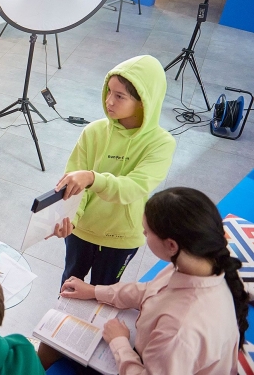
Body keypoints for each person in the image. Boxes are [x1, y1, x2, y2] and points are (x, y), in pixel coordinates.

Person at [38, 187, 249, 374]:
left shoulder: (180, 329)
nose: (142, 233)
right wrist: (94, 291)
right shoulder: (197, 263)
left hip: (143, 361)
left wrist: (119, 342)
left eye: (146, 232)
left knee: (52, 342)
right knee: (52, 341)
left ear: (171, 245)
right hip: (153, 353)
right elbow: (148, 290)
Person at [50, 55, 176, 286]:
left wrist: (92, 178)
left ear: (144, 101)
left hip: (121, 237)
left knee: (104, 292)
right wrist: (70, 219)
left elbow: (133, 187)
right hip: (81, 230)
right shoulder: (93, 132)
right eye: (109, 91)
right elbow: (74, 184)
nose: (109, 101)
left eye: (119, 96)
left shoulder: (161, 144)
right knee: (69, 284)